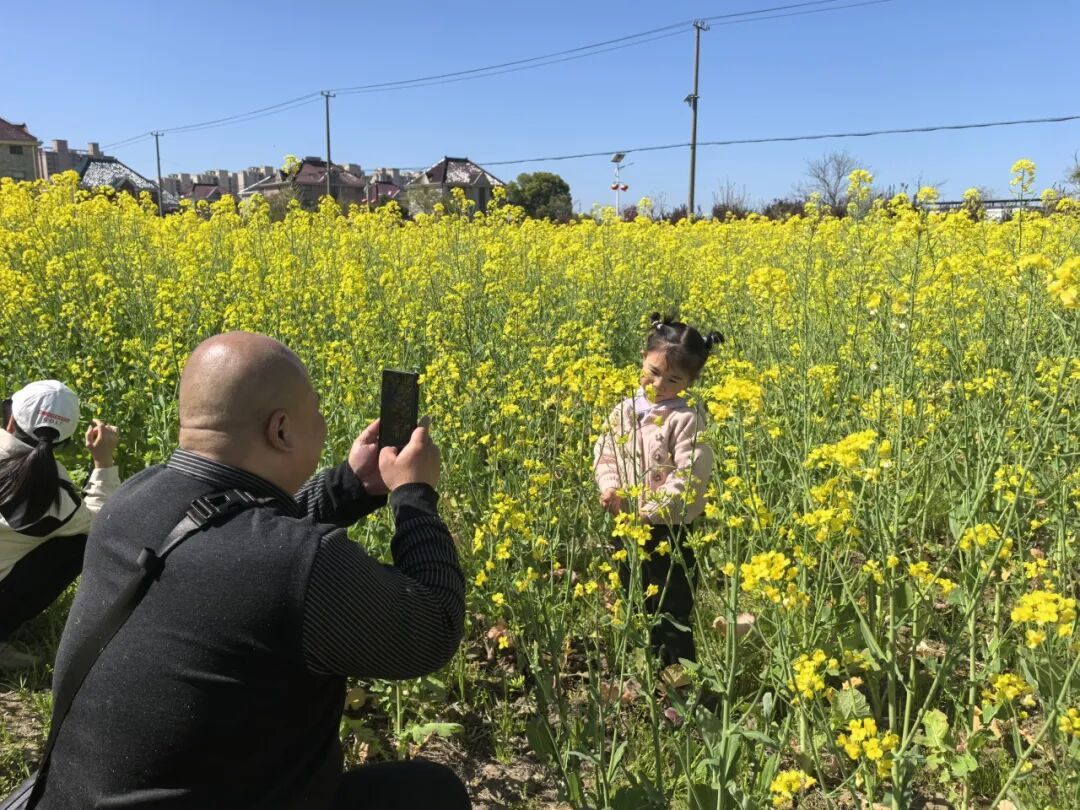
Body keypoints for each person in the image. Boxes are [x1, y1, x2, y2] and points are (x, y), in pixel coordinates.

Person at [38, 332, 469, 809]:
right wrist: (414, 495)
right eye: (317, 413)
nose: (324, 425)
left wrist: (350, 485)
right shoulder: (299, 563)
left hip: (69, 798)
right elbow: (434, 628)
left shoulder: (130, 499)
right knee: (429, 794)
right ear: (280, 430)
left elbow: (233, 532)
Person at [594, 313, 722, 670]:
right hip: (626, 524)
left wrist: (647, 509)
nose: (659, 384)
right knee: (633, 598)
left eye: (673, 379)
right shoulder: (624, 409)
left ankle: (679, 677)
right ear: (642, 358)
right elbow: (606, 453)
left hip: (670, 530)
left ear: (691, 381)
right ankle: (646, 671)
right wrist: (610, 488)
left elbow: (689, 477)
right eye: (653, 372)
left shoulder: (688, 418)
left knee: (671, 606)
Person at [0, 380, 120, 671]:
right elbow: (102, 525)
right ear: (64, 439)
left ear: (11, 418)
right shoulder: (58, 497)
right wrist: (103, 461)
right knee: (80, 542)